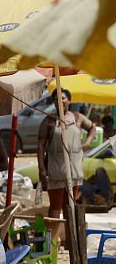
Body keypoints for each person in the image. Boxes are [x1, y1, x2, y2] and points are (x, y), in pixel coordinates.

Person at [38, 89, 95, 218]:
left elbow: (92, 128)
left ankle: (70, 237)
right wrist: (41, 169)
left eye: (62, 98)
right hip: (56, 170)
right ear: (53, 102)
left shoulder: (77, 117)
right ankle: (53, 237)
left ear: (69, 100)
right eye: (56, 99)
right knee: (55, 207)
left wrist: (87, 143)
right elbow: (40, 147)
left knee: (70, 206)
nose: (59, 101)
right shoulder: (49, 120)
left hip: (74, 170)